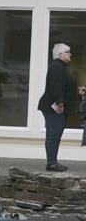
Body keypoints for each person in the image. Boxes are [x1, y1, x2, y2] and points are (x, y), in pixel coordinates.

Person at [37, 43, 78, 172]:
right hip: (53, 107)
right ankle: (51, 163)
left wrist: (78, 90)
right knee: (53, 135)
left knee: (56, 135)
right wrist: (60, 103)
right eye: (67, 52)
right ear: (60, 54)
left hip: (57, 106)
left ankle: (53, 162)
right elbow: (56, 87)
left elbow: (64, 86)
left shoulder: (61, 67)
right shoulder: (57, 67)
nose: (70, 54)